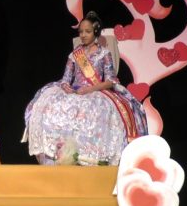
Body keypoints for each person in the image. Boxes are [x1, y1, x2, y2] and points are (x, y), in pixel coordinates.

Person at [23, 11, 148, 165]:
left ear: (95, 32)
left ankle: (90, 157)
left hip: (96, 90)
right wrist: (67, 89)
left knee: (96, 110)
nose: (83, 35)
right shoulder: (75, 54)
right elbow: (66, 79)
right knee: (51, 105)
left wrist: (89, 90)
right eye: (81, 32)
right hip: (75, 90)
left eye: (87, 31)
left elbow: (110, 80)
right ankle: (58, 155)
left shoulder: (104, 53)